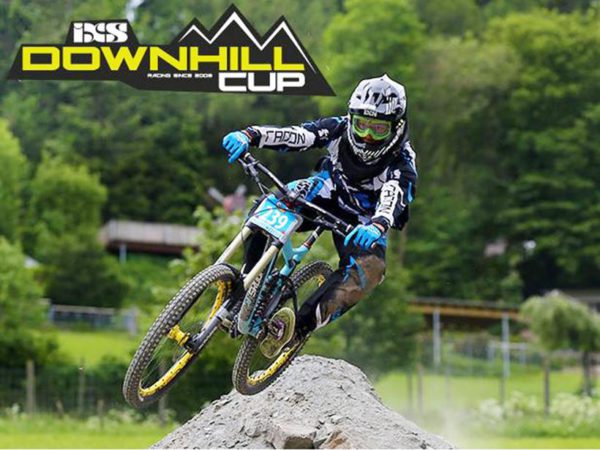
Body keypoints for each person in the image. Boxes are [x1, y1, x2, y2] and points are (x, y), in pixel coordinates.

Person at [221, 74, 418, 357]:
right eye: (361, 125)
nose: (366, 136)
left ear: (397, 127)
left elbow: (393, 196)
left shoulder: (403, 162)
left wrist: (378, 224)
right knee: (268, 204)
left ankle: (295, 329)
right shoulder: (338, 128)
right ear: (351, 118)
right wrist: (251, 135)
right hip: (327, 191)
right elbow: (298, 135)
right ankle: (248, 284)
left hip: (363, 221)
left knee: (370, 270)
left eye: (378, 129)